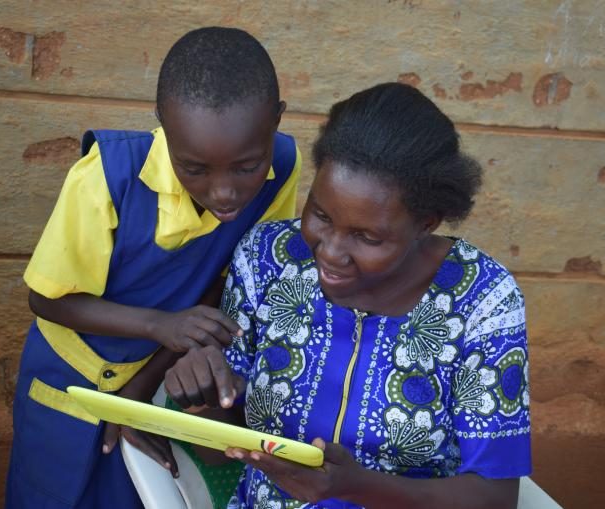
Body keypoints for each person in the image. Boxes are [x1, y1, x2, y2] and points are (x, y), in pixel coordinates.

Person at [165, 82, 532, 508]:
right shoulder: (267, 259)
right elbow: (219, 451)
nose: (331, 251)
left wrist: (356, 486)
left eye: (366, 236)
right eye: (321, 214)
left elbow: (496, 498)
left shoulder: (483, 300)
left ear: (426, 223)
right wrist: (202, 397)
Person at [5, 27, 301, 509]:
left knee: (135, 491)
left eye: (246, 167)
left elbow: (226, 293)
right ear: (162, 122)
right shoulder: (109, 174)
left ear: (277, 122)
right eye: (195, 169)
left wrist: (141, 393)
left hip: (161, 379)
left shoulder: (282, 167)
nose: (224, 193)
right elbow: (46, 298)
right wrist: (159, 324)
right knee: (48, 492)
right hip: (67, 378)